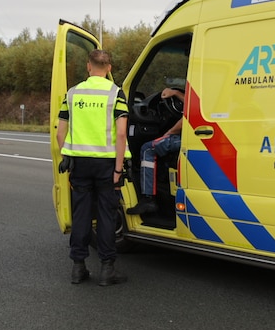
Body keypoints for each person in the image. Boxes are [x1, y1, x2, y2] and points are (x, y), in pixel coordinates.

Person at [56, 49, 131, 286]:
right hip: (107, 164)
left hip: (80, 164)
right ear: (108, 68)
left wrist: (66, 154)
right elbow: (121, 133)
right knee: (106, 215)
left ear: (89, 66)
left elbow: (60, 132)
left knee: (81, 214)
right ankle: (107, 269)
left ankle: (78, 267)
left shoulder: (73, 93)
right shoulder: (116, 93)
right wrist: (118, 169)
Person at [128, 80, 185, 216]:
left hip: (186, 137)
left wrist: (169, 132)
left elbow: (189, 113)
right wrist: (176, 93)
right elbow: (191, 104)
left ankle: (148, 199)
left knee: (148, 149)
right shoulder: (215, 93)